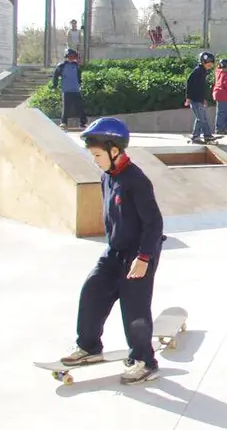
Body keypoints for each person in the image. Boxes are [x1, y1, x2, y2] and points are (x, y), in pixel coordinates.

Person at [59, 117, 165, 385]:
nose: (94, 160)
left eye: (97, 154)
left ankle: (145, 361)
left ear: (114, 150)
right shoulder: (107, 177)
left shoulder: (136, 180)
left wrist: (144, 258)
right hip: (114, 251)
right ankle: (89, 347)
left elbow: (154, 223)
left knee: (134, 310)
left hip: (138, 253)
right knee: (93, 290)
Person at [184, 51, 216, 144]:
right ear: (203, 62)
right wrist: (188, 97)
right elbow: (189, 83)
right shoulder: (198, 71)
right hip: (194, 100)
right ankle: (201, 136)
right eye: (209, 63)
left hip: (199, 100)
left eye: (212, 63)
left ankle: (203, 136)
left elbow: (201, 88)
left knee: (202, 118)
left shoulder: (203, 72)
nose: (211, 65)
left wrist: (203, 99)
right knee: (201, 118)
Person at [51, 48, 88, 130]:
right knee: (66, 107)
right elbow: (55, 76)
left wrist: (80, 84)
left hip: (76, 89)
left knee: (79, 107)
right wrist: (54, 86)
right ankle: (64, 122)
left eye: (74, 56)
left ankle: (83, 123)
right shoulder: (61, 66)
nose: (72, 58)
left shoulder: (76, 65)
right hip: (66, 89)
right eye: (71, 56)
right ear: (67, 56)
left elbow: (78, 76)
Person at [212, 59, 227, 135]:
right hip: (221, 94)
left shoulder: (218, 72)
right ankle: (219, 129)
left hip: (218, 93)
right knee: (221, 112)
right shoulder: (225, 74)